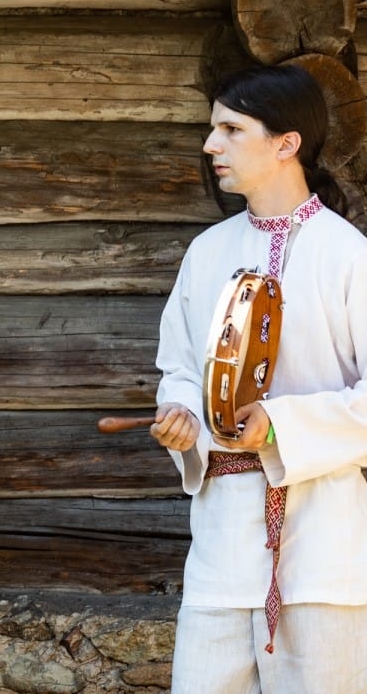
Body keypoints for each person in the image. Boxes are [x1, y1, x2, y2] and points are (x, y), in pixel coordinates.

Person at [151, 64, 367, 693]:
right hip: (222, 544)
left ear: (286, 142)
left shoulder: (348, 256)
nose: (210, 144)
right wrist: (183, 414)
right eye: (212, 129)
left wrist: (281, 424)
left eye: (230, 128)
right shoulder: (206, 252)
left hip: (325, 543)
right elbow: (182, 368)